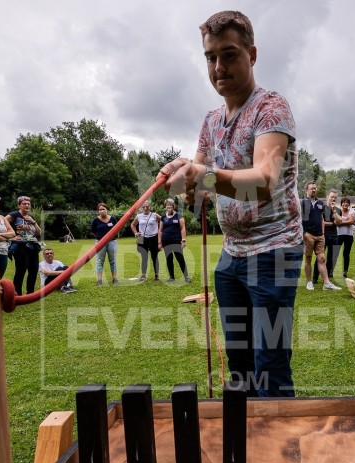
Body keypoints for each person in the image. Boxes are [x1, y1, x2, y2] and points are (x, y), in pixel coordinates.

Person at [158, 10, 303, 397]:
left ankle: (278, 453)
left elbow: (263, 184)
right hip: (231, 254)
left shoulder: (271, 108)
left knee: (269, 364)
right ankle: (243, 450)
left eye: (229, 54)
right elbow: (199, 186)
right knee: (239, 365)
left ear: (252, 54)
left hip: (274, 249)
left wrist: (198, 176)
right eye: (210, 57)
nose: (218, 66)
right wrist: (181, 176)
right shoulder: (210, 121)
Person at [300, 181, 340, 290]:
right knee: (308, 258)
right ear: (306, 190)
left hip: (320, 235)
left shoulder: (320, 203)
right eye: (312, 188)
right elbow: (297, 220)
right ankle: (309, 282)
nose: (314, 190)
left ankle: (326, 283)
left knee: (322, 258)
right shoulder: (302, 202)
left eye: (315, 188)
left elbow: (322, 219)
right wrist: (304, 233)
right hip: (308, 235)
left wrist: (322, 233)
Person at [6, 195, 42, 295]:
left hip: (33, 245)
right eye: (24, 203)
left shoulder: (31, 217)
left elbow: (39, 233)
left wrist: (34, 222)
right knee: (21, 270)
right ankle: (18, 294)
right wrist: (11, 237)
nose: (26, 205)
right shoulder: (14, 215)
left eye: (28, 204)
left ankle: (30, 293)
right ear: (19, 205)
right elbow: (1, 224)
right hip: (20, 246)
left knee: (33, 270)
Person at [157, 199, 190, 283]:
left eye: (170, 205)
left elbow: (183, 228)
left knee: (180, 258)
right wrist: (159, 242)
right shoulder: (163, 217)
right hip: (166, 241)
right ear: (165, 206)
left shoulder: (179, 215)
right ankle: (172, 277)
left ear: (173, 206)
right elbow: (160, 230)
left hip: (176, 241)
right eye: (167, 205)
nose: (169, 206)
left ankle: (186, 277)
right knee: (169, 258)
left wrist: (183, 240)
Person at [313, 189, 340, 285]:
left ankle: (327, 279)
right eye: (332, 196)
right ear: (327, 196)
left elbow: (339, 222)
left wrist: (334, 211)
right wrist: (333, 223)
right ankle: (315, 278)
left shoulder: (337, 210)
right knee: (320, 257)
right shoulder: (322, 208)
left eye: (335, 197)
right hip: (323, 235)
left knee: (331, 258)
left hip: (334, 236)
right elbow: (322, 222)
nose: (333, 199)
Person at [90, 202, 119, 285]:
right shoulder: (96, 220)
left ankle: (114, 279)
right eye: (100, 210)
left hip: (112, 242)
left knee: (113, 261)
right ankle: (99, 280)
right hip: (100, 242)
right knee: (100, 261)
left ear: (107, 210)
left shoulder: (112, 219)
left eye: (103, 209)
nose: (102, 211)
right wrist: (100, 238)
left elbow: (117, 229)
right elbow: (93, 231)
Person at [130, 202, 160, 281]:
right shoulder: (139, 216)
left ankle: (156, 275)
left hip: (153, 238)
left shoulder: (155, 215)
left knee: (154, 257)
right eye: (143, 207)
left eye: (147, 206)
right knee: (144, 257)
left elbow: (163, 222)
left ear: (150, 207)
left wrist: (160, 232)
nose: (145, 208)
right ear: (141, 208)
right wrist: (136, 233)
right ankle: (143, 275)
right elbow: (132, 225)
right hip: (142, 238)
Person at [334, 197, 355, 277]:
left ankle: (345, 271)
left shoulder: (352, 211)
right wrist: (342, 222)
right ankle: (331, 270)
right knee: (335, 253)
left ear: (349, 204)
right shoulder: (337, 211)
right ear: (341, 204)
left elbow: (351, 221)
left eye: (347, 202)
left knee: (346, 254)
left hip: (348, 235)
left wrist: (340, 223)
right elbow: (335, 222)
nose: (345, 204)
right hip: (338, 235)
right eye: (344, 202)